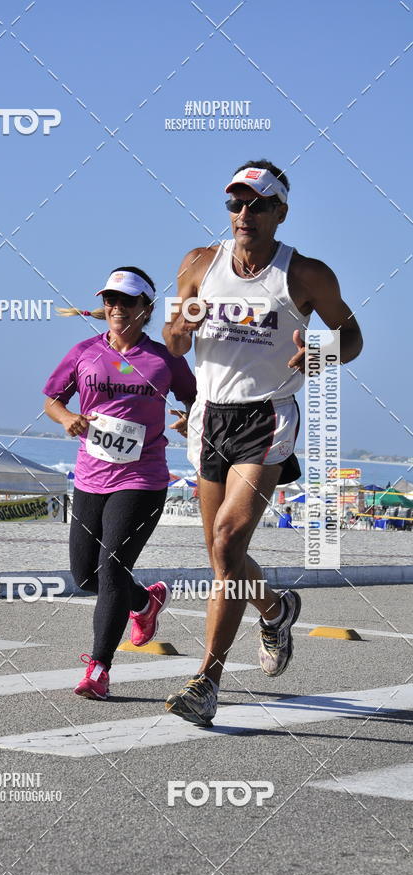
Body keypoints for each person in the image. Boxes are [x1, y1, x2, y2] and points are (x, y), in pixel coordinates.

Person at [162, 160, 363, 725]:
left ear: (280, 212)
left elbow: (352, 336)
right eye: (235, 203)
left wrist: (318, 353)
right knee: (220, 556)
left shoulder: (305, 275)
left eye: (256, 204)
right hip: (209, 417)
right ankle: (275, 609)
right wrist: (183, 326)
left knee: (227, 543)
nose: (243, 214)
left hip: (267, 416)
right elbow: (174, 342)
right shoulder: (199, 263)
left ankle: (205, 683)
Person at [43, 266, 197, 700]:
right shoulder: (84, 352)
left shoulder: (164, 358)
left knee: (111, 569)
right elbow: (53, 400)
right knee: (86, 575)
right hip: (91, 477)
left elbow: (197, 395)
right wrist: (69, 418)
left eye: (126, 301)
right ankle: (145, 603)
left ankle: (99, 669)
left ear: (145, 309)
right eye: (110, 299)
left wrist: (189, 417)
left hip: (143, 478)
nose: (115, 307)